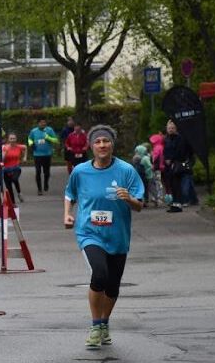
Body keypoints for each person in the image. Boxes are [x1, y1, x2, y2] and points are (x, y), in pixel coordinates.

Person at [63, 124, 143, 350]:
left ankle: (105, 322)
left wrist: (128, 199)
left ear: (112, 144)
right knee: (100, 274)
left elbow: (139, 205)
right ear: (90, 146)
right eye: (97, 142)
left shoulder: (126, 170)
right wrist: (68, 214)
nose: (102, 145)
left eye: (105, 141)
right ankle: (95, 324)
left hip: (117, 235)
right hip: (90, 232)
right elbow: (70, 194)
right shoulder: (80, 171)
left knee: (113, 286)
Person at [163, 119, 191, 213]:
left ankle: (178, 203)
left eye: (172, 128)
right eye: (169, 128)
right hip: (169, 165)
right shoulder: (166, 139)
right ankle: (175, 203)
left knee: (177, 185)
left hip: (176, 164)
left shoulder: (180, 139)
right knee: (172, 185)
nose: (171, 129)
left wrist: (172, 159)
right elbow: (165, 150)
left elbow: (181, 151)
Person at [27, 118, 58, 195]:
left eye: (44, 122)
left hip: (47, 154)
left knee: (46, 172)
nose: (43, 124)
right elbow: (29, 139)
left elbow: (56, 140)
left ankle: (46, 183)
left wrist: (48, 138)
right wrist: (31, 144)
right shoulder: (34, 131)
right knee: (38, 172)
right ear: (38, 123)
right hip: (37, 155)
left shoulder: (49, 130)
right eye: (41, 122)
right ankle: (39, 189)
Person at [1, 132, 27, 203]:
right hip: (6, 169)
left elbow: (25, 147)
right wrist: (5, 154)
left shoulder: (19, 147)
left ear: (16, 139)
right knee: (9, 187)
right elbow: (2, 160)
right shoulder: (4, 147)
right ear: (8, 139)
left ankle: (19, 193)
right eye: (11, 139)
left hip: (16, 167)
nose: (12, 140)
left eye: (14, 138)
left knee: (14, 179)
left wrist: (24, 157)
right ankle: (13, 203)